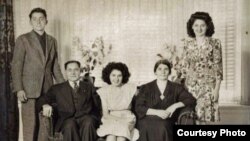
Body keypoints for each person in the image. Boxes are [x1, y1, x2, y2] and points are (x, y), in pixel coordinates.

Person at [11, 7, 65, 141]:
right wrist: (19, 89)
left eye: (41, 19)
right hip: (28, 92)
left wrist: (64, 87)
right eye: (34, 19)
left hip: (47, 91)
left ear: (46, 21)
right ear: (30, 22)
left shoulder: (52, 41)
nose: (38, 22)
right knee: (30, 129)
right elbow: (16, 66)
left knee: (45, 127)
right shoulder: (23, 39)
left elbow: (55, 67)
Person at [38, 60, 101, 141]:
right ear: (66, 72)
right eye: (70, 70)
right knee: (70, 125)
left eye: (76, 69)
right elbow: (41, 100)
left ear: (80, 71)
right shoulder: (57, 88)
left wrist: (94, 118)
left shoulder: (88, 87)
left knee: (88, 122)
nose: (73, 73)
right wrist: (45, 105)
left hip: (86, 118)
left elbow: (97, 105)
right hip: (66, 120)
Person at [135, 59, 196, 141]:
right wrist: (157, 112)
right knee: (147, 126)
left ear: (169, 72)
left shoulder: (176, 87)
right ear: (155, 72)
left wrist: (174, 106)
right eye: (159, 69)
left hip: (167, 120)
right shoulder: (146, 87)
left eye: (166, 69)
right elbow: (139, 107)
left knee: (163, 126)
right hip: (147, 119)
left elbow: (191, 99)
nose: (162, 72)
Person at [179, 12, 223, 124]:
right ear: (192, 27)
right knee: (190, 118)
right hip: (190, 87)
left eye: (202, 25)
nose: (199, 28)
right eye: (196, 25)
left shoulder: (215, 43)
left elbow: (218, 67)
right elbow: (183, 67)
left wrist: (216, 90)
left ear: (207, 26)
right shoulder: (187, 44)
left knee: (203, 119)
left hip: (208, 87)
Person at [97, 62, 139, 141]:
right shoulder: (104, 91)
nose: (116, 79)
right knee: (110, 137)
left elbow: (144, 99)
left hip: (127, 117)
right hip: (110, 118)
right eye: (113, 75)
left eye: (119, 75)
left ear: (123, 76)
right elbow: (105, 114)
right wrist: (120, 120)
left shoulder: (130, 88)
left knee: (121, 137)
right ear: (108, 76)